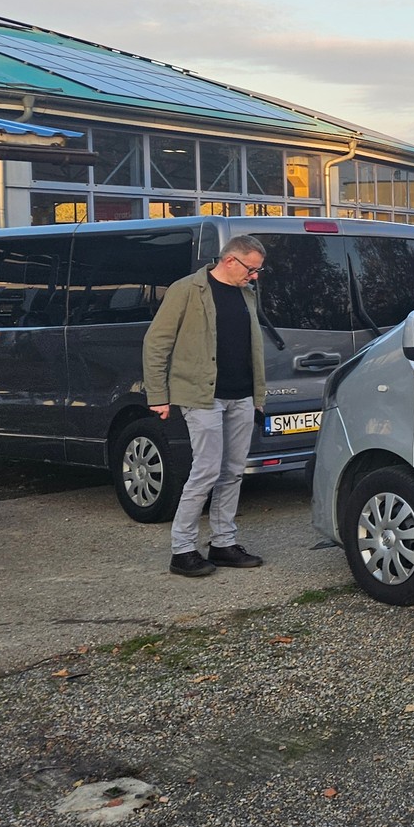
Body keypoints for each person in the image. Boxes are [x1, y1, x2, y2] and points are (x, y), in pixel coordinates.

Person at [142, 235, 270, 578]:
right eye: (251, 269)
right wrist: (158, 395)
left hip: (241, 396)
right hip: (201, 397)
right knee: (207, 471)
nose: (254, 276)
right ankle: (182, 550)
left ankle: (222, 543)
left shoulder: (246, 293)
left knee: (233, 471)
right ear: (230, 260)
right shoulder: (186, 290)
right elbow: (156, 343)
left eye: (257, 270)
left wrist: (258, 397)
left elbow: (251, 346)